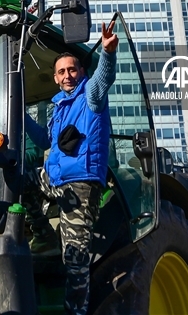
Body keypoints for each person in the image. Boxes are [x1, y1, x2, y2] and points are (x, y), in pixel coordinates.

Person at [22, 21, 118, 315]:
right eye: (62, 71)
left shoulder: (90, 96)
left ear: (81, 72)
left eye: (72, 69)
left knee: (75, 260)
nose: (67, 75)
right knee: (21, 177)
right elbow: (43, 140)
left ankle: (75, 312)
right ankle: (42, 236)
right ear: (55, 78)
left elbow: (103, 81)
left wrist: (107, 53)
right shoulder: (59, 109)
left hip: (81, 184)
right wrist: (19, 113)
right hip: (55, 180)